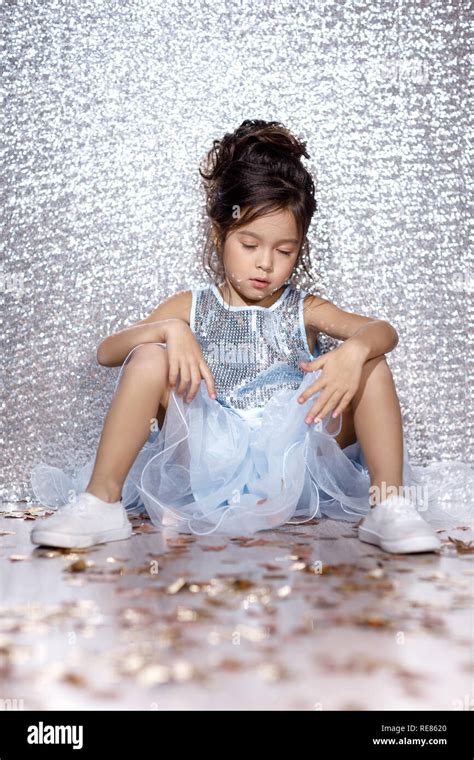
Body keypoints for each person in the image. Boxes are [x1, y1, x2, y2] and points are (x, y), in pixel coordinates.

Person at [30, 119, 466, 552]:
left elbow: (381, 331)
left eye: (284, 251)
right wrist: (169, 329)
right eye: (250, 244)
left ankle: (389, 506)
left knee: (371, 359)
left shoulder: (304, 308)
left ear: (300, 249)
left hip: (294, 465)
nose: (265, 265)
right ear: (221, 233)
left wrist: (355, 350)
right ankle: (101, 504)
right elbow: (108, 352)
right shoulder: (190, 306)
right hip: (208, 461)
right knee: (147, 356)